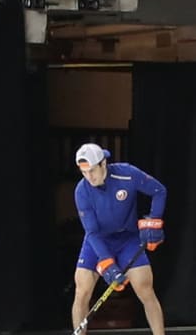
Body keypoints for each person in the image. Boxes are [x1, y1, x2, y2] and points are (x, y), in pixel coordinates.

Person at [71, 143, 167, 335]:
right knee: (82, 291)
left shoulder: (127, 174)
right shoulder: (81, 191)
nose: (89, 177)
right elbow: (91, 232)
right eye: (84, 173)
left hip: (127, 239)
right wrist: (107, 263)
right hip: (97, 241)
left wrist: (154, 220)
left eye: (92, 171)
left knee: (145, 289)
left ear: (103, 163)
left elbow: (159, 191)